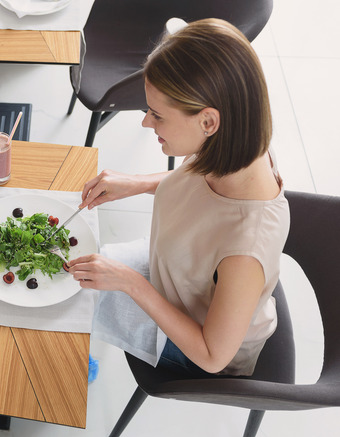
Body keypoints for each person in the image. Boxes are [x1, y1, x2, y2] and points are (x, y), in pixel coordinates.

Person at [68, 19, 289, 376]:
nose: (145, 124)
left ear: (207, 122)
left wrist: (130, 283)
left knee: (69, 297)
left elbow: (212, 356)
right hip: (174, 268)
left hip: (194, 340)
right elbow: (200, 184)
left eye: (156, 115)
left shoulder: (245, 253)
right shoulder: (238, 146)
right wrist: (137, 183)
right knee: (78, 268)